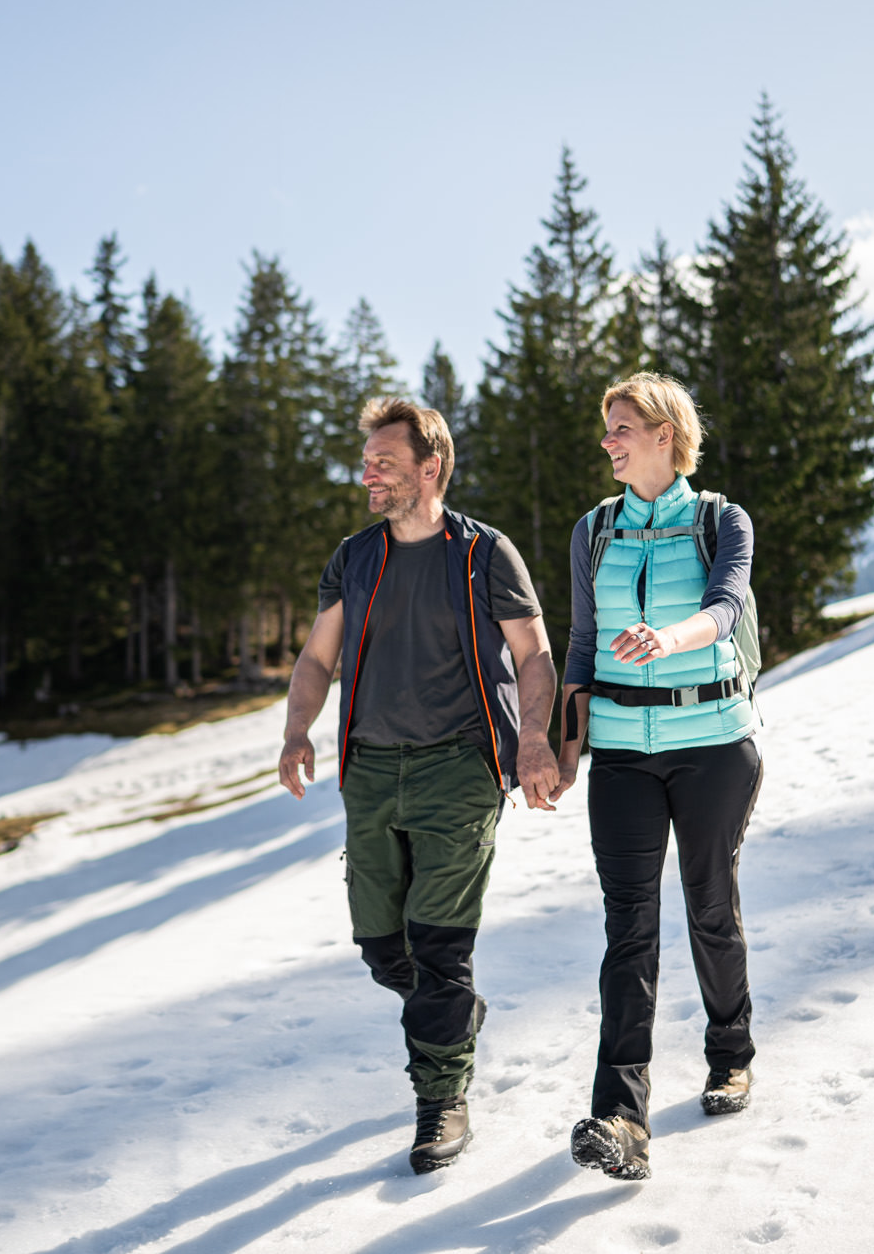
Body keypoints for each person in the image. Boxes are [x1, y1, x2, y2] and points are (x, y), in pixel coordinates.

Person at [280, 397, 562, 1174]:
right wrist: (297, 728)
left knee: (438, 946)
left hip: (457, 771)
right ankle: (452, 1015)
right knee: (381, 944)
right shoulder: (355, 556)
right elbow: (316, 658)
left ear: (429, 468)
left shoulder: (483, 554)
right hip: (369, 772)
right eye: (367, 459)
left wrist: (535, 739)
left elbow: (534, 656)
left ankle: (441, 1098)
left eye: (385, 461)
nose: (367, 473)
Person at [553, 373, 764, 1183]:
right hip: (621, 757)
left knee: (711, 903)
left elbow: (727, 605)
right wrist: (566, 749)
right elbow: (580, 644)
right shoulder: (594, 531)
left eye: (623, 426)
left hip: (713, 742)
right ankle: (621, 1117)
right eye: (607, 427)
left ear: (667, 434)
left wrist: (668, 640)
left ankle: (730, 1052)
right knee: (628, 927)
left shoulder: (720, 520)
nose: (609, 440)